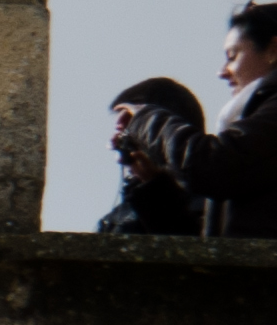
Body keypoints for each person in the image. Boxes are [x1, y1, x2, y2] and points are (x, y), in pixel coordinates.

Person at [117, 0, 277, 240]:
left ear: (272, 50)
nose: (221, 72)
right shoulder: (274, 110)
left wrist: (146, 120)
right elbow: (200, 246)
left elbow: (214, 165)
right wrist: (154, 184)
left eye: (232, 56)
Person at [90, 75, 210, 234]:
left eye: (127, 127)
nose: (117, 143)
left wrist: (155, 187)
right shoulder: (115, 219)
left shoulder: (213, 204)